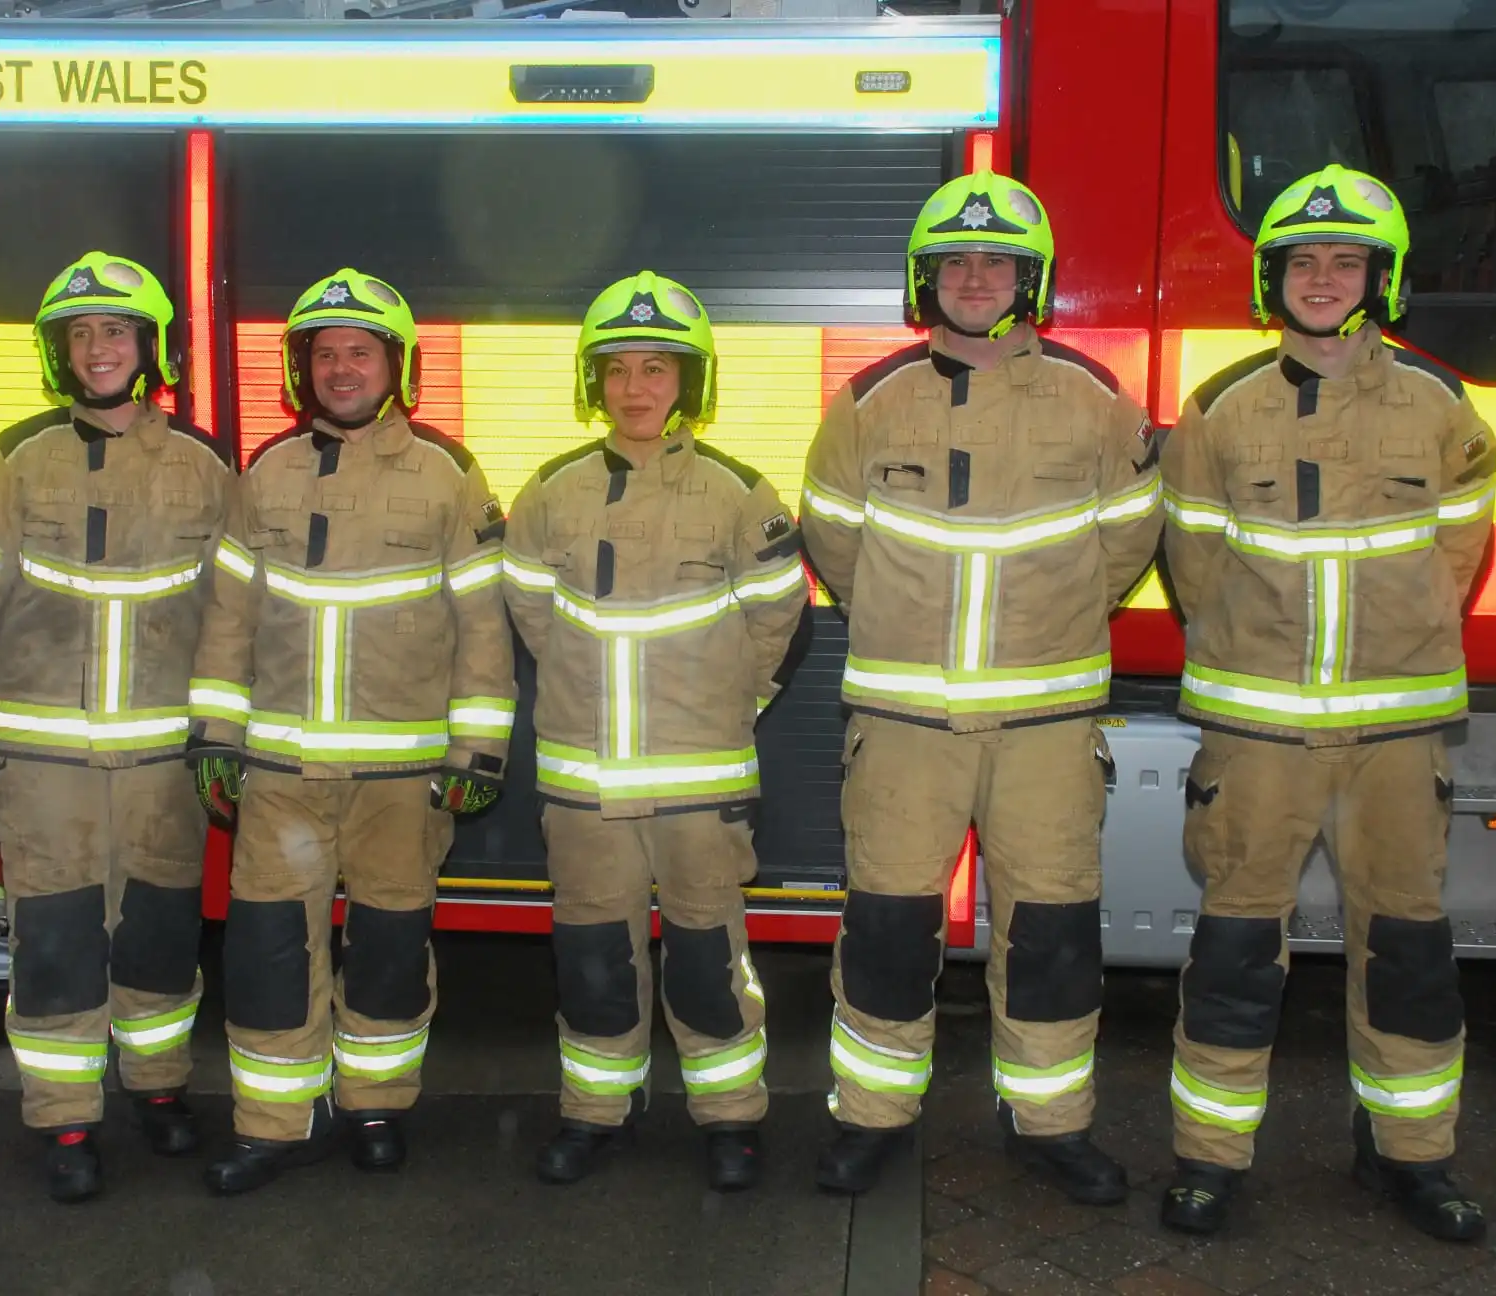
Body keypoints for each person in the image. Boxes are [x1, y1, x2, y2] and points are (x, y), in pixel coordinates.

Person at [800, 172, 1163, 1199]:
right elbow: (832, 534)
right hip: (904, 721)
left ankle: (1051, 1125)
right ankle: (872, 1116)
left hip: (1045, 722)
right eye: (954, 263)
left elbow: (1131, 537)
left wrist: (1052, 627)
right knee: (885, 928)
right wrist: (901, 622)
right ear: (926, 280)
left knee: (1051, 933)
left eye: (995, 263)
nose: (973, 279)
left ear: (1029, 280)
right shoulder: (869, 402)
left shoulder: (1094, 401)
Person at [1157, 164, 1496, 1242]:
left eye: (1345, 262)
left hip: (1395, 734)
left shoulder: (1442, 406)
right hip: (1257, 734)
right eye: (1301, 262)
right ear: (1272, 279)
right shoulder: (1218, 410)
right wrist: (1259, 664)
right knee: (1233, 952)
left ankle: (1412, 1157)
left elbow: (1459, 552)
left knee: (1406, 955)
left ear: (1381, 279)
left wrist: (1391, 651)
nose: (1320, 280)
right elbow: (1193, 566)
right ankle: (1209, 1159)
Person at [0, 252, 233, 1202]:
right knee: (54, 946)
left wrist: (225, 734)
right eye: (79, 334)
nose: (97, 349)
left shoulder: (206, 464)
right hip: (44, 765)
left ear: (150, 346)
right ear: (58, 353)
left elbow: (237, 615)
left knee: (160, 936)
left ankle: (159, 1088)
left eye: (115, 330)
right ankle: (65, 1119)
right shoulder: (19, 456)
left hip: (162, 763)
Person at [188, 268, 515, 1195]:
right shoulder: (265, 473)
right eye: (324, 353)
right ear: (302, 369)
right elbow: (229, 618)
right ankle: (275, 1125)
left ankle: (376, 1108)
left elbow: (483, 626)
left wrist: (477, 750)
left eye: (359, 352)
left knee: (388, 953)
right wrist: (215, 733)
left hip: (400, 783)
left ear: (396, 366)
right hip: (280, 775)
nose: (341, 369)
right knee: (268, 956)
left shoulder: (449, 476)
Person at [501, 271, 811, 1192]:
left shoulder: (738, 494)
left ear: (691, 382)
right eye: (617, 369)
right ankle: (595, 1113)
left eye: (656, 368)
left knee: (710, 961)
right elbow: (529, 616)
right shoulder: (550, 493)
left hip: (699, 788)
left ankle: (731, 1120)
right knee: (593, 960)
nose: (634, 388)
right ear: (593, 382)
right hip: (585, 789)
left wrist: (726, 703)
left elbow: (781, 620)